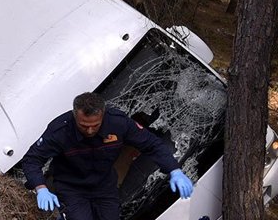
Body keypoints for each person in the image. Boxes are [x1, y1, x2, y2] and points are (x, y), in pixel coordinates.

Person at [21, 92, 193, 220]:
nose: (89, 130)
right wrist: (41, 188)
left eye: (94, 125)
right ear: (75, 116)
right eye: (83, 125)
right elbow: (32, 159)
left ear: (103, 115)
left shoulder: (118, 123)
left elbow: (152, 144)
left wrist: (174, 170)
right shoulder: (59, 130)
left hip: (104, 186)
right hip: (72, 187)